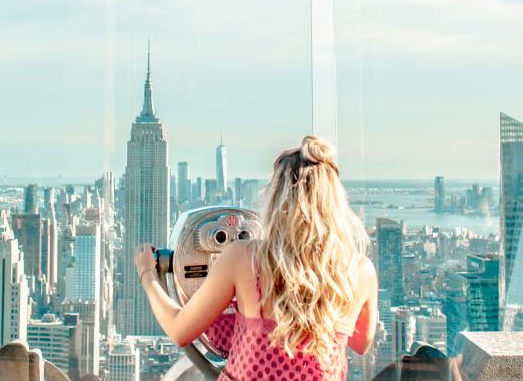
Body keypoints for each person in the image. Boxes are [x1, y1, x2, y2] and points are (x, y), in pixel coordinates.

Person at [134, 135, 378, 380]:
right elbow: (360, 343)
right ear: (335, 201)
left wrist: (148, 274)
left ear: (277, 200)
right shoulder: (361, 270)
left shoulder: (245, 258)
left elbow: (180, 330)